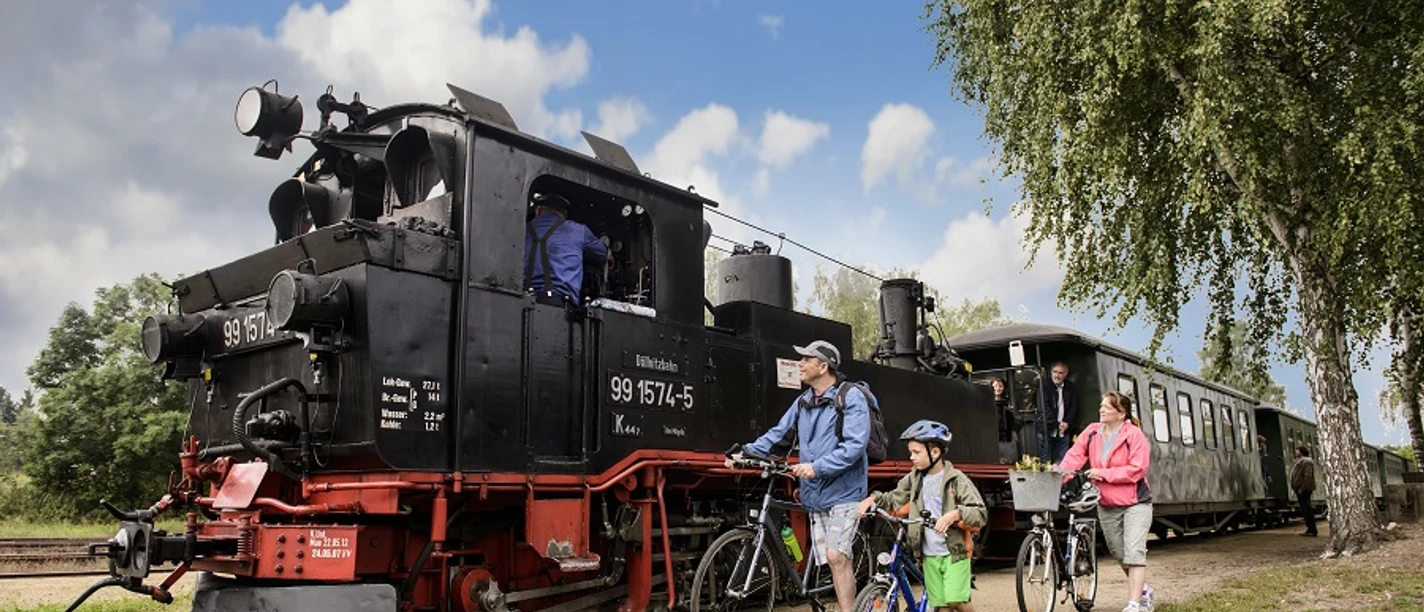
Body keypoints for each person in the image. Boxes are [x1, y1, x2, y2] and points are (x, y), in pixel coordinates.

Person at [728, 339, 869, 612]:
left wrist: (816, 467)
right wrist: (745, 453)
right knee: (828, 560)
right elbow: (778, 434)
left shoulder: (851, 397)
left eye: (806, 359)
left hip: (846, 492)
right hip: (816, 493)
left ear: (823, 366)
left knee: (836, 556)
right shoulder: (804, 401)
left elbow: (854, 446)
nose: (800, 364)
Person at [858, 420, 986, 612]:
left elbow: (979, 512)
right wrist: (873, 499)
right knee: (941, 606)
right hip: (929, 554)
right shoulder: (915, 478)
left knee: (956, 601)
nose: (911, 457)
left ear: (935, 452)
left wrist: (955, 514)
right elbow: (895, 498)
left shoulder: (956, 479)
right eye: (911, 452)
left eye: (916, 452)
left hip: (953, 552)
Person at [1057, 391, 1155, 612]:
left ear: (1122, 414)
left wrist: (1104, 473)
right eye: (1101, 406)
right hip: (1107, 503)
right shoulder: (1092, 432)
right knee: (1119, 553)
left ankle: (1134, 604)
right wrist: (1056, 477)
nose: (1101, 410)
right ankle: (1144, 590)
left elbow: (1138, 469)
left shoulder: (1134, 435)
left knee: (1134, 552)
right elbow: (1074, 457)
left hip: (1136, 503)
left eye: (1107, 407)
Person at [523, 192, 608, 306]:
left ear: (538, 211)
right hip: (558, 303)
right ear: (564, 214)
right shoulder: (578, 230)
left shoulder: (523, 229)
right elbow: (602, 254)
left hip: (521, 300)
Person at [1039, 361, 1077, 463]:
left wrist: (1067, 423)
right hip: (1047, 429)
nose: (1057, 375)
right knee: (1046, 463)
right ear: (1051, 372)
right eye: (1055, 372)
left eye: (1061, 373)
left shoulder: (1070, 387)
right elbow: (1043, 407)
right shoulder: (1044, 386)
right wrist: (1056, 424)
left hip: (1064, 431)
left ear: (1065, 374)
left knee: (1062, 463)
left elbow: (1073, 407)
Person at [1290, 445, 1318, 537]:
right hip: (1300, 489)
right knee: (1305, 509)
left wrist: (1302, 488)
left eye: (1297, 451)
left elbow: (1307, 476)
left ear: (1301, 452)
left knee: (1307, 509)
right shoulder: (1301, 462)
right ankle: (1310, 528)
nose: (1296, 452)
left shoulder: (1306, 462)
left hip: (1304, 489)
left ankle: (1312, 529)